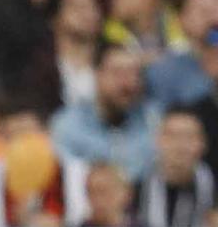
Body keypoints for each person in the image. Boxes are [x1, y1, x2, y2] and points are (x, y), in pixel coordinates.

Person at [50, 42, 158, 181]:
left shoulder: (153, 121)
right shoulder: (68, 126)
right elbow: (68, 180)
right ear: (97, 74)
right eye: (118, 73)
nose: (128, 83)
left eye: (135, 74)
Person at [133, 106, 212, 227]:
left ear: (203, 143)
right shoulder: (135, 194)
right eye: (172, 136)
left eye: (189, 137)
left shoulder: (213, 194)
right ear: (157, 140)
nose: (181, 146)